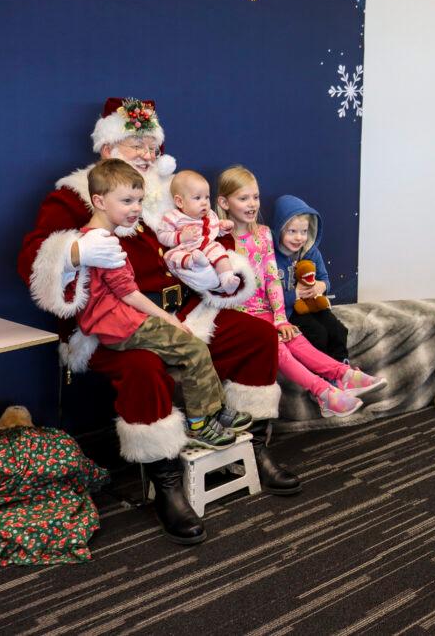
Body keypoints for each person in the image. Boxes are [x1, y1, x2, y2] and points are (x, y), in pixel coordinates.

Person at [18, 97, 299, 546]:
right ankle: (166, 480)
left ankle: (252, 445)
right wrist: (73, 252)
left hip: (185, 310)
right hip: (115, 325)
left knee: (257, 335)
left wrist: (227, 278)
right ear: (108, 147)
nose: (148, 155)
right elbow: (31, 258)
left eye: (153, 145)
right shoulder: (74, 195)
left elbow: (208, 242)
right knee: (144, 369)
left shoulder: (168, 194)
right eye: (137, 144)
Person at [78, 158, 251, 449]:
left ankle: (215, 408)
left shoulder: (96, 236)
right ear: (99, 201)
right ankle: (199, 423)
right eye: (127, 201)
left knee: (192, 345)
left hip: (122, 319)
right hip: (120, 325)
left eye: (139, 201)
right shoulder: (102, 244)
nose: (136, 208)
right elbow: (128, 292)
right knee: (193, 348)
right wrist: (168, 318)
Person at [215, 166, 385, 418]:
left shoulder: (262, 234)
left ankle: (344, 375)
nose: (252, 204)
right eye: (243, 198)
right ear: (224, 202)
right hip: (241, 316)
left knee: (296, 338)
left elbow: (273, 278)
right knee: (278, 346)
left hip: (267, 310)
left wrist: (280, 317)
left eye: (255, 197)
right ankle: (324, 392)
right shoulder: (219, 240)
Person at [271, 195, 350, 362]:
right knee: (318, 334)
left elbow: (325, 280)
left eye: (304, 231)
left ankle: (342, 367)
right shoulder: (272, 258)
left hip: (313, 305)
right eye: (292, 231)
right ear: (279, 230)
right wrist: (295, 294)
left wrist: (320, 287)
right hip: (290, 312)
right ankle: (324, 372)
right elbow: (268, 299)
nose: (299, 238)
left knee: (338, 330)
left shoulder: (310, 251)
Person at [157, 170, 240, 295]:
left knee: (218, 250)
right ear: (180, 201)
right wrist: (181, 237)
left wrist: (222, 228)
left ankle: (227, 280)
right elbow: (162, 235)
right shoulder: (173, 217)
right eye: (197, 198)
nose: (204, 202)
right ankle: (194, 262)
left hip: (205, 246)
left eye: (207, 197)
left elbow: (213, 232)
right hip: (183, 249)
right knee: (172, 257)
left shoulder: (208, 215)